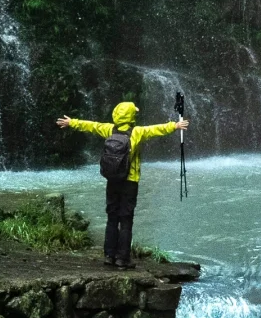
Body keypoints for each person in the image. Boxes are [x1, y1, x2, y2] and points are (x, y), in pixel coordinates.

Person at [57, 101, 188, 269]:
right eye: (134, 111)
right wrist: (175, 125)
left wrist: (72, 122)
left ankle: (109, 256)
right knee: (126, 220)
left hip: (112, 180)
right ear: (131, 116)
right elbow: (156, 129)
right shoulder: (137, 132)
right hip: (130, 182)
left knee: (112, 218)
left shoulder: (109, 129)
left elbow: (91, 126)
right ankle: (122, 259)